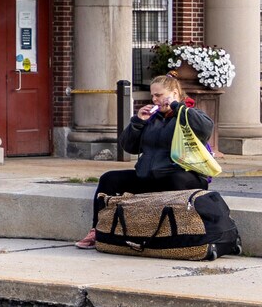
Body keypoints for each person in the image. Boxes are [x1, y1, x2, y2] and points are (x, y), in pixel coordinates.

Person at [75, 73, 214, 248]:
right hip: (150, 175)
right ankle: (97, 231)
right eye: (152, 96)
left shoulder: (189, 113)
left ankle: (176, 236)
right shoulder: (152, 119)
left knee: (174, 179)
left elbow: (206, 129)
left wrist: (177, 107)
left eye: (159, 95)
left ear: (175, 93)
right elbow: (129, 147)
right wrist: (137, 122)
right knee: (109, 179)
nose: (155, 100)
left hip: (183, 176)